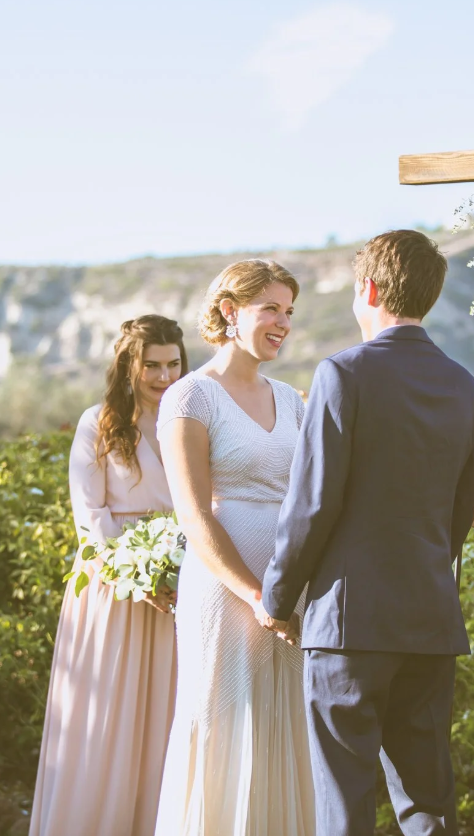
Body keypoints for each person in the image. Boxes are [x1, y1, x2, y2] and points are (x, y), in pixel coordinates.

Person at [258, 230, 474, 836]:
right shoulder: (465, 384)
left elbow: (312, 504)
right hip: (431, 617)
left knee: (345, 797)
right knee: (426, 798)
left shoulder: (343, 373)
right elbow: (461, 512)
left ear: (370, 288)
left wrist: (278, 599)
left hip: (349, 622)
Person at [153, 260, 315, 836]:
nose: (283, 322)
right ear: (229, 311)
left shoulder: (293, 401)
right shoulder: (190, 397)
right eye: (270, 308)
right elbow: (194, 516)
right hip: (227, 592)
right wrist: (256, 595)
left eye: (288, 311)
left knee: (288, 724)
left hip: (291, 590)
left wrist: (292, 589)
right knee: (226, 720)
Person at [29, 314, 188, 836]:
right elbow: (89, 516)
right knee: (108, 719)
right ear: (128, 367)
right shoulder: (97, 424)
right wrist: (138, 576)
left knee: (169, 715)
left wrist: (182, 570)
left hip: (182, 588)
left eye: (174, 364)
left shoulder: (192, 419)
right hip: (114, 584)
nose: (164, 376)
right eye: (153, 366)